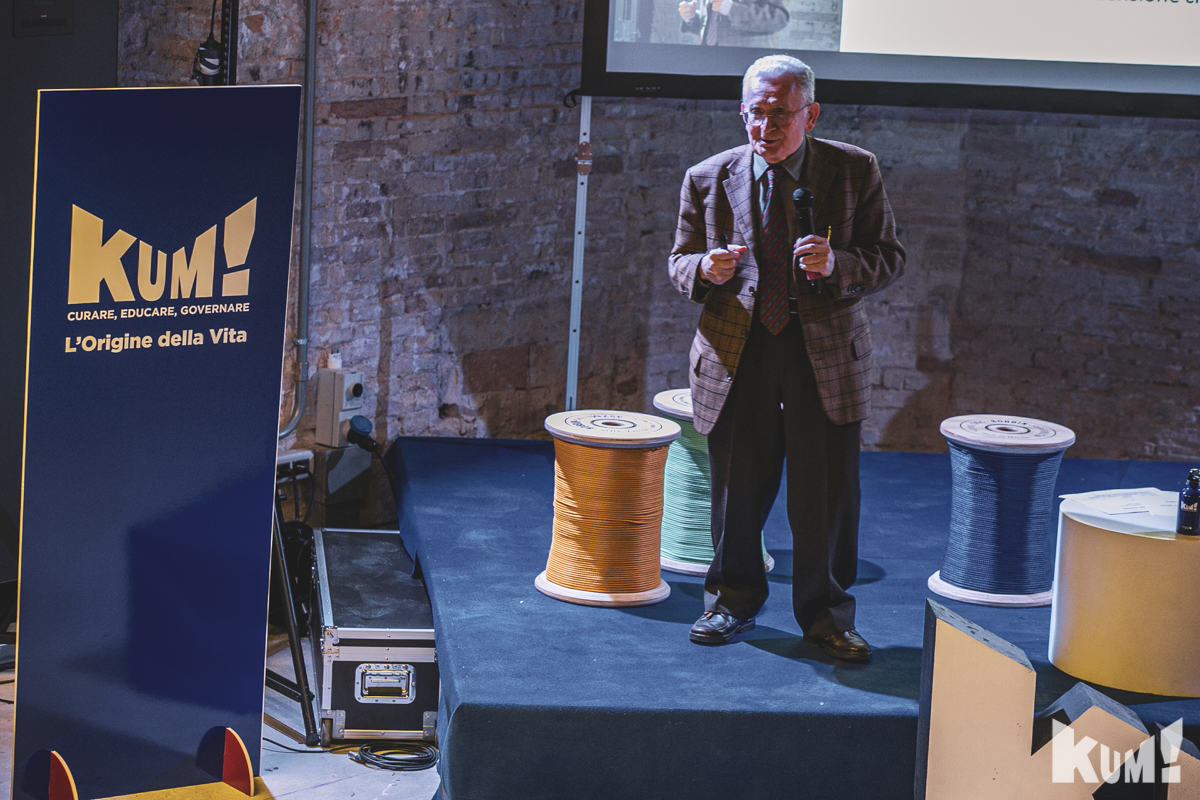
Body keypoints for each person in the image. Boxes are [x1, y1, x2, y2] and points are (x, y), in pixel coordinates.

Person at [667, 55, 904, 661]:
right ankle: (731, 602)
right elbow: (679, 260)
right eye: (755, 113)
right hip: (737, 351)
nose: (764, 127)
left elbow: (888, 256)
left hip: (821, 353)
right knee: (736, 491)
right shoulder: (707, 177)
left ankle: (826, 618)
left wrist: (838, 263)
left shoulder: (852, 169)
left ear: (810, 114)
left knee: (824, 494)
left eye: (779, 114)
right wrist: (705, 269)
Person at [678, 0, 789, 47]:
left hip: (744, 64)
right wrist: (691, 17)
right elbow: (713, 24)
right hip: (707, 59)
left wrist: (733, 10)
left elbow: (780, 19)